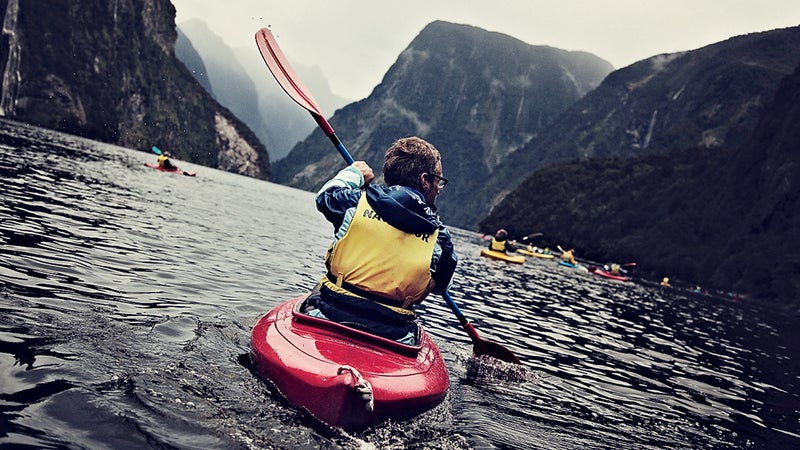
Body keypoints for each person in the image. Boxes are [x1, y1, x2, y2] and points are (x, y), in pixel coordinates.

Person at [304, 136, 458, 345]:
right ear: (424, 180)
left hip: (330, 315)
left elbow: (325, 196)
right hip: (394, 335)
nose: (439, 188)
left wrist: (355, 173)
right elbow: (441, 287)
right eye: (438, 181)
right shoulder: (440, 238)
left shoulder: (356, 201)